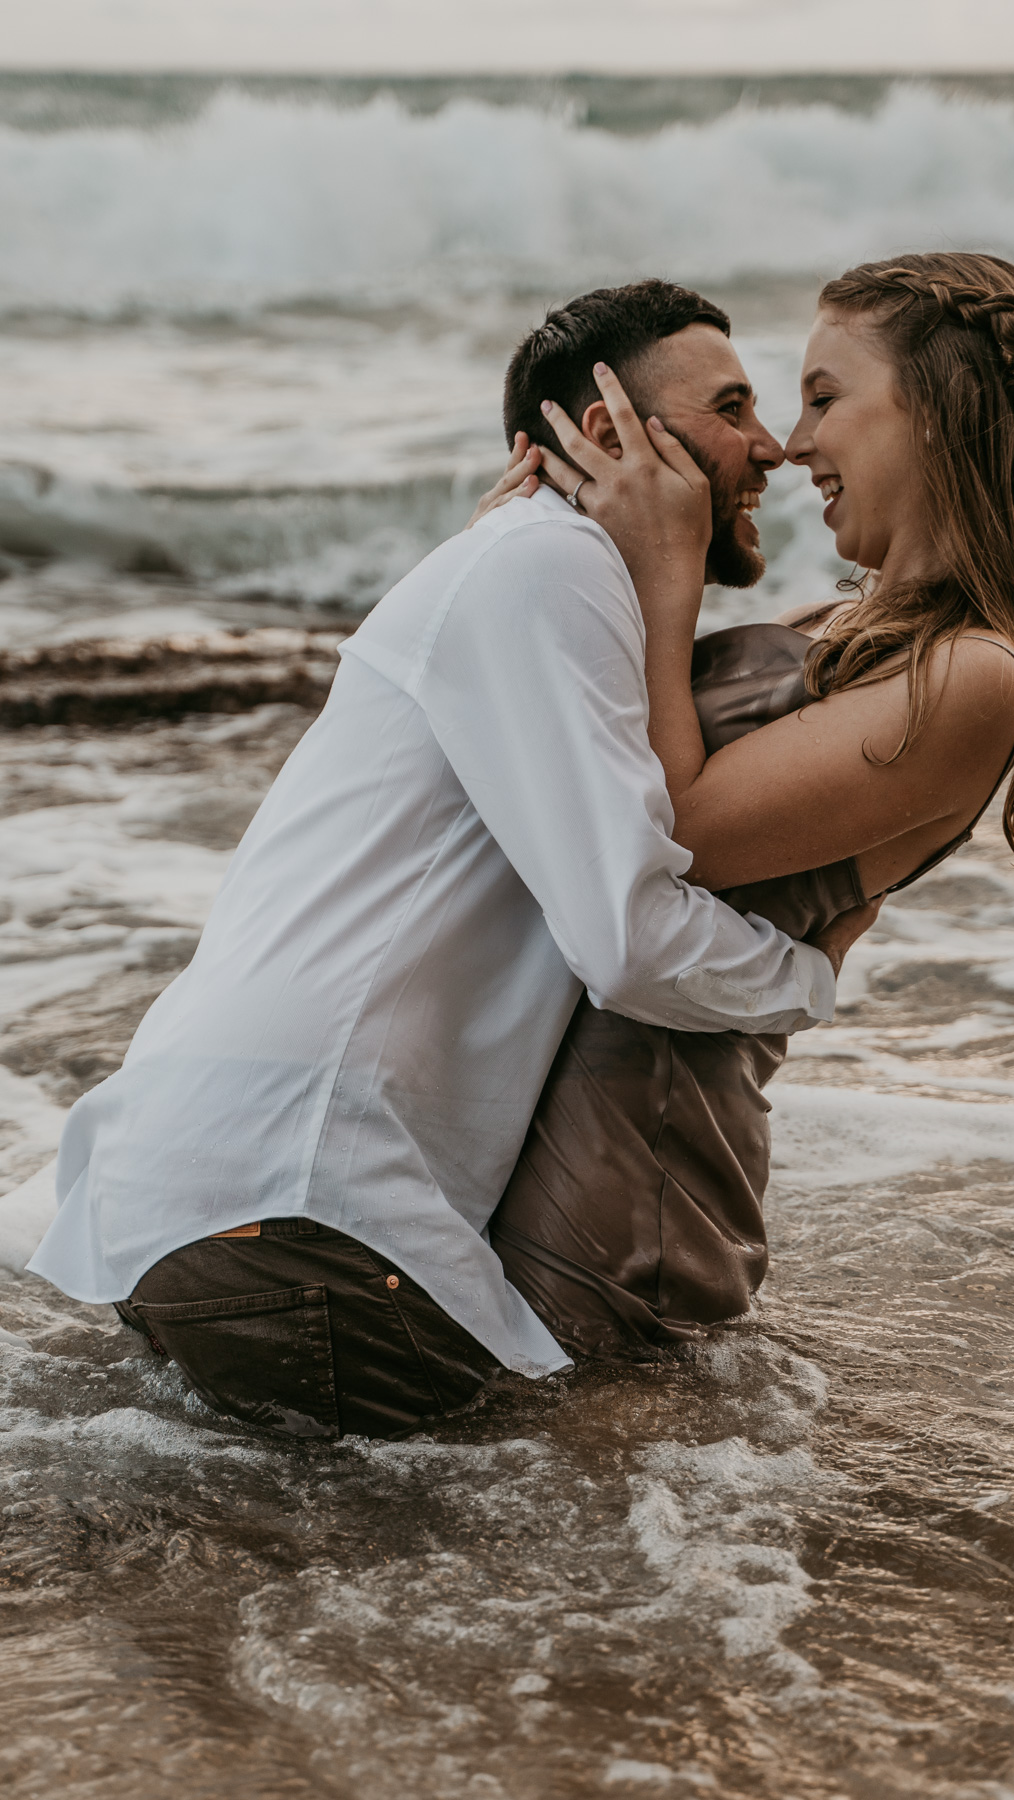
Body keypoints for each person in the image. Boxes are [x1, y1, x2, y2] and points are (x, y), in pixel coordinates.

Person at [27, 282, 877, 1442]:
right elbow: (627, 943)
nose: (771, 445)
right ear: (603, 435)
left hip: (206, 1214)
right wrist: (807, 975)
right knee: (632, 1481)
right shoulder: (548, 569)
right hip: (304, 1224)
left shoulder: (519, 569)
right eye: (732, 407)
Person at [474, 252, 1014, 1362]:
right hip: (545, 1144)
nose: (794, 444)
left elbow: (677, 828)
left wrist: (668, 575)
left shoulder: (974, 676)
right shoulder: (848, 629)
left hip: (632, 1200)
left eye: (823, 399)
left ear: (938, 415)